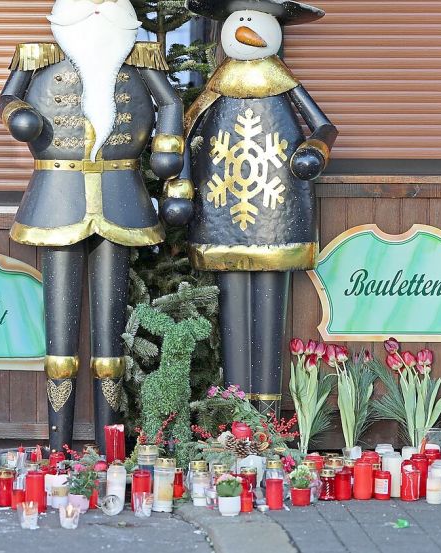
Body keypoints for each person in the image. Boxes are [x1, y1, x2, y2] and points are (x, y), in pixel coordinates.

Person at [0, 0, 184, 452]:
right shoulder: (35, 56)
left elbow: (171, 102)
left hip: (121, 192)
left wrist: (168, 147)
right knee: (59, 332)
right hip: (58, 194)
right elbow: (6, 98)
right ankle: (57, 448)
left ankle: (110, 447)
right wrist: (16, 117)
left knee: (111, 329)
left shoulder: (139, 58)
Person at [163, 0, 338, 415]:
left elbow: (324, 126)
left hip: (276, 209)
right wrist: (181, 186)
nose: (245, 25)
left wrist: (316, 148)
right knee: (233, 302)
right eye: (237, 18)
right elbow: (184, 135)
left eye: (254, 19)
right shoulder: (216, 87)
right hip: (220, 211)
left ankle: (266, 414)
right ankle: (237, 407)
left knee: (269, 298)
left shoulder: (282, 82)